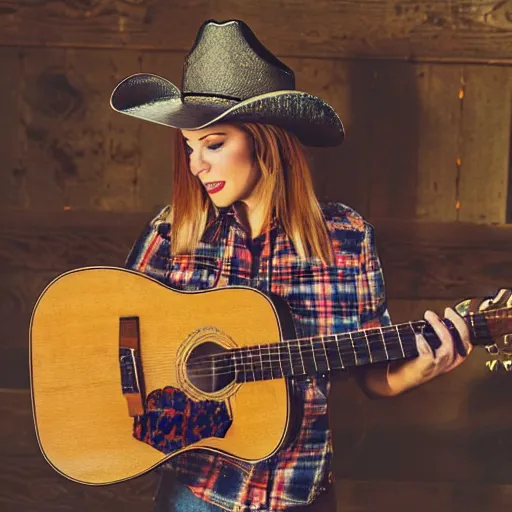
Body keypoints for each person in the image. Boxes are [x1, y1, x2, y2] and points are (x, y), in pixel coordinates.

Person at [110, 19, 472, 512]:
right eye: (190, 147)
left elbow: (372, 375)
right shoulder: (173, 232)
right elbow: (105, 336)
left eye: (213, 144)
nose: (196, 165)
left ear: (266, 141)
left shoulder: (347, 239)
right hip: (197, 496)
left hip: (301, 497)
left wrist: (422, 369)